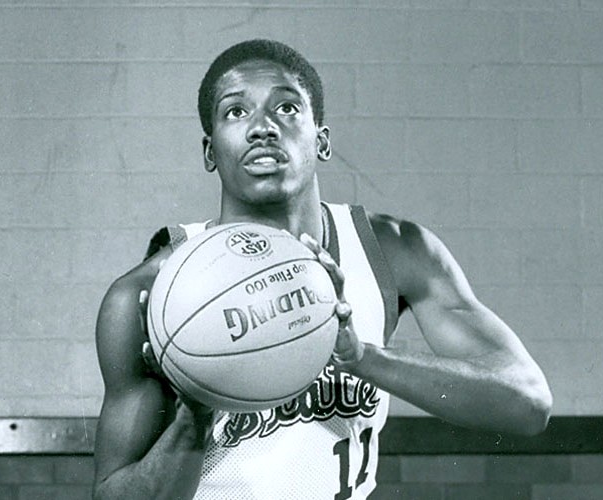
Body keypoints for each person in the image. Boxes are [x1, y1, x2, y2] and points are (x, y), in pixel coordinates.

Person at [92, 39, 552, 500]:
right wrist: (193, 420)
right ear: (210, 151)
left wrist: (363, 358)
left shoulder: (392, 252)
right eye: (236, 112)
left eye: (287, 107)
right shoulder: (150, 295)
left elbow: (527, 403)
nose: (262, 127)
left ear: (322, 140)